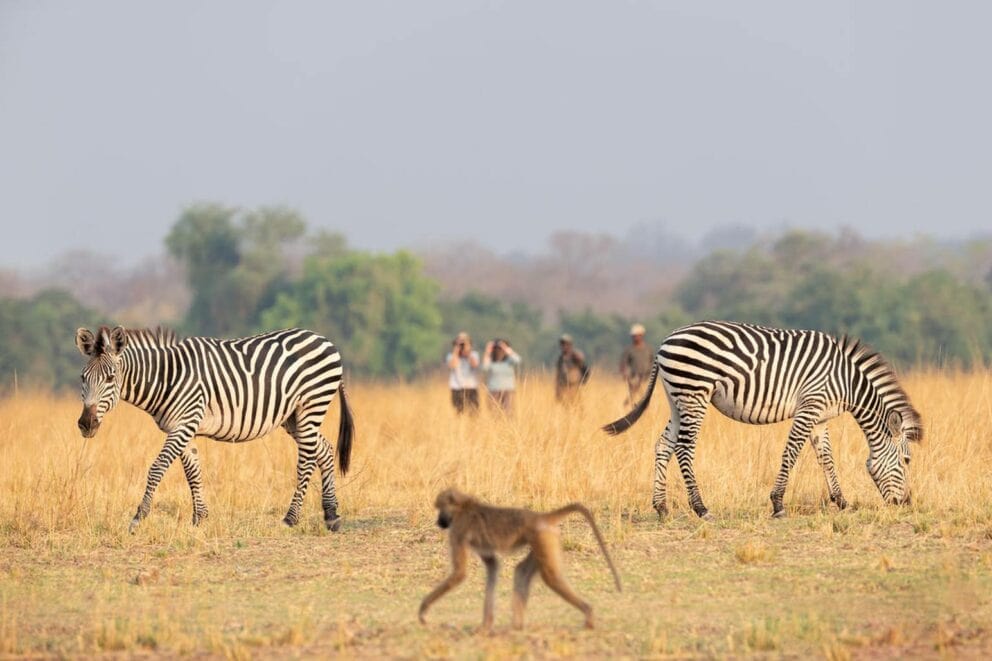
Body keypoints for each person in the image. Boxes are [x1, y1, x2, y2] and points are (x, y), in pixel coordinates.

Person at [482, 338, 521, 413]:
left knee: (508, 412)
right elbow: (484, 367)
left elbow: (518, 360)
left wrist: (505, 348)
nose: (499, 350)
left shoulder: (509, 361)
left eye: (500, 349)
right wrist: (488, 351)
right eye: (496, 348)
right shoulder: (491, 361)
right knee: (494, 413)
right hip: (493, 390)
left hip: (508, 390)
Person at [619, 323, 653, 406]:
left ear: (642, 335)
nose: (635, 338)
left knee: (644, 397)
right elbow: (623, 363)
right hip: (634, 377)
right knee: (634, 396)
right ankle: (629, 407)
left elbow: (652, 362)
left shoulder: (648, 349)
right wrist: (625, 374)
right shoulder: (629, 350)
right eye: (633, 336)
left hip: (647, 377)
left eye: (637, 335)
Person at [446, 331, 480, 414]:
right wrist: (456, 350)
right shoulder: (451, 355)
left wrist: (468, 351)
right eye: (460, 342)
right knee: (459, 412)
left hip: (471, 387)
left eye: (464, 342)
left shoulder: (474, 354)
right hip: (456, 387)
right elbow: (452, 365)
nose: (462, 345)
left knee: (473, 412)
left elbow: (475, 364)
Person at [555, 334, 589, 403]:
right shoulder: (560, 359)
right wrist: (557, 390)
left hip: (573, 387)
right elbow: (558, 375)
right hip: (563, 387)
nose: (564, 346)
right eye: (562, 344)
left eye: (566, 344)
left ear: (570, 345)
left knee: (576, 406)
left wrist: (583, 380)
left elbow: (584, 369)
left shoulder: (575, 356)